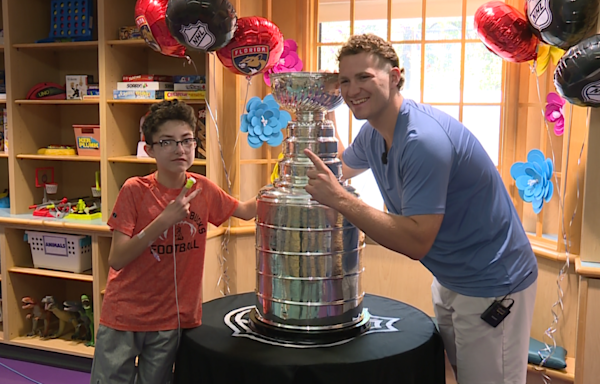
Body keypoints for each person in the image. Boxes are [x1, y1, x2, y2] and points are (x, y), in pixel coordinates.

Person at [304, 34, 538, 384]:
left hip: (493, 282)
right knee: (466, 376)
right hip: (450, 276)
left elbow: (415, 241)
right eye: (344, 81)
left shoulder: (422, 141)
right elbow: (339, 167)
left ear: (395, 76)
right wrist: (320, 106)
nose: (352, 90)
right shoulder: (373, 134)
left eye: (364, 77)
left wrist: (339, 199)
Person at [90, 100, 257, 384]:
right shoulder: (135, 190)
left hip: (172, 319)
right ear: (150, 148)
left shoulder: (202, 188)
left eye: (186, 140)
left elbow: (245, 211)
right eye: (167, 142)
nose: (180, 149)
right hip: (125, 315)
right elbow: (117, 258)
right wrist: (164, 221)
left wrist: (284, 182)